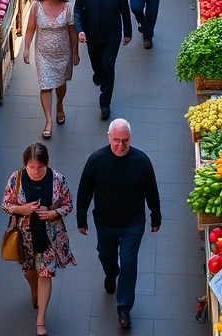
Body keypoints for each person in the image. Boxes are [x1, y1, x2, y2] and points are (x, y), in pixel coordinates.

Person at [76, 119, 162, 329]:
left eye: (124, 140)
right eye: (116, 140)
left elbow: (151, 190)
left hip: (133, 222)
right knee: (106, 255)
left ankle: (124, 308)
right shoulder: (96, 160)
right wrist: (81, 219)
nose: (120, 145)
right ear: (108, 137)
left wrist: (155, 216)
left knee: (129, 262)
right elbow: (84, 191)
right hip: (105, 222)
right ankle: (111, 273)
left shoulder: (141, 161)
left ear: (130, 138)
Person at [2, 144, 76, 336]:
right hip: (24, 236)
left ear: (47, 164)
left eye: (40, 167)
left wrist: (52, 213)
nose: (35, 171)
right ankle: (34, 289)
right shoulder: (15, 179)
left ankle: (40, 319)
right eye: (31, 167)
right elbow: (6, 204)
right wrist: (22, 209)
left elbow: (68, 205)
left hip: (49, 237)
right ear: (25, 164)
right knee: (29, 271)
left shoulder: (58, 179)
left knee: (46, 274)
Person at [73, 0, 132, 119]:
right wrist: (80, 30)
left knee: (108, 66)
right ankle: (97, 74)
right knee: (97, 65)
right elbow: (77, 10)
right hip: (92, 37)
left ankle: (105, 103)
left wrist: (127, 33)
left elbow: (124, 11)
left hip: (112, 37)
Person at [23, 0, 80, 140]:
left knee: (60, 84)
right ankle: (48, 121)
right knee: (45, 86)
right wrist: (26, 48)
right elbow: (31, 29)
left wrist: (75, 52)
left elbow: (72, 31)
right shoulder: (36, 7)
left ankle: (60, 104)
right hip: (43, 54)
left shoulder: (68, 7)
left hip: (63, 53)